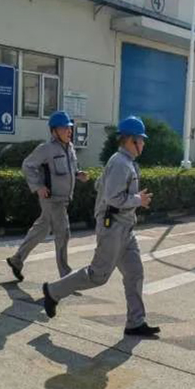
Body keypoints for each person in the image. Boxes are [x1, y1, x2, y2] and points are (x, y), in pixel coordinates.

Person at [41, 116, 161, 338]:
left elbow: (100, 186)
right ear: (131, 141)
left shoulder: (125, 162)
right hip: (112, 228)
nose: (144, 144)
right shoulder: (120, 163)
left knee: (135, 273)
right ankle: (53, 291)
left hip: (125, 229)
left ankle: (135, 323)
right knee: (98, 275)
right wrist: (138, 200)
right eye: (141, 140)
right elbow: (112, 197)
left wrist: (130, 198)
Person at [6, 111, 88, 282]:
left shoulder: (70, 148)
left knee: (41, 229)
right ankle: (66, 276)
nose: (69, 131)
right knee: (63, 232)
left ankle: (17, 260)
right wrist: (38, 187)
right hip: (52, 199)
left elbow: (69, 170)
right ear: (54, 131)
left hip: (62, 199)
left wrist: (78, 174)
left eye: (69, 128)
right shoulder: (46, 149)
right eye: (64, 128)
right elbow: (28, 165)